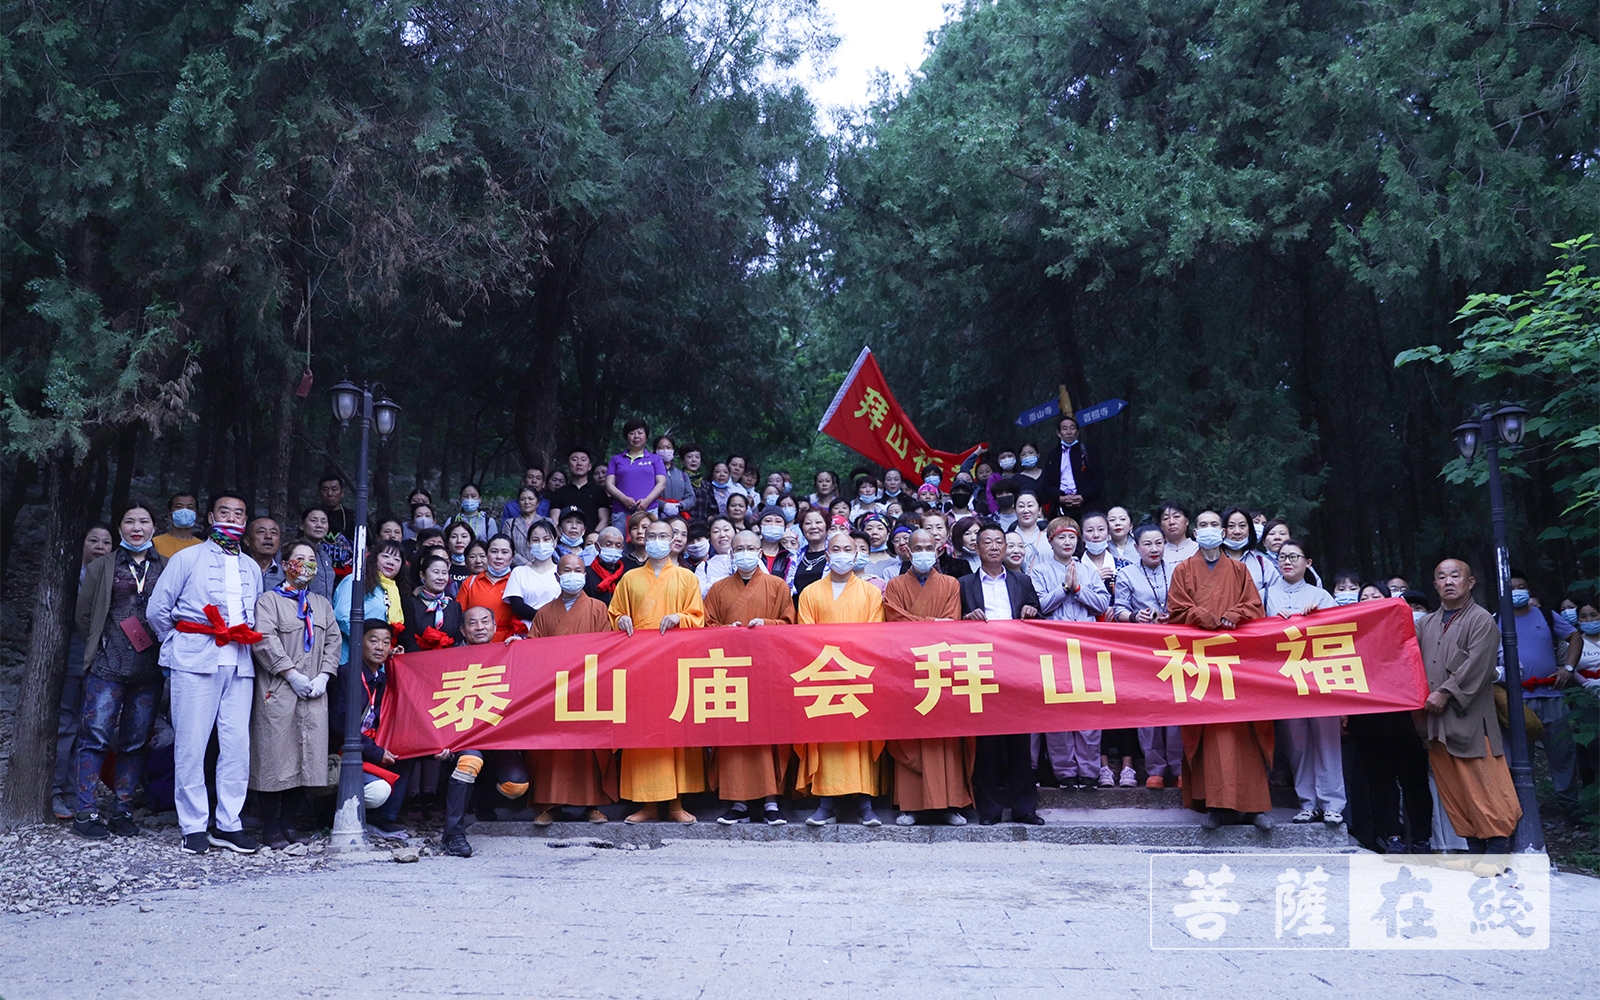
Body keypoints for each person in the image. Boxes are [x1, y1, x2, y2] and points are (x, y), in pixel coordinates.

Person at [146, 491, 265, 855]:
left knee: (236, 747)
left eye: (239, 513)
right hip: (195, 657)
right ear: (211, 517)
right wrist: (182, 643)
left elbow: (254, 614)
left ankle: (229, 824)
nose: (232, 517)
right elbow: (157, 610)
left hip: (240, 661)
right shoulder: (187, 558)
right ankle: (193, 825)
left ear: (245, 522)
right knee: (192, 744)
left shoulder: (252, 567)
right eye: (225, 511)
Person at [1167, 510, 1273, 831]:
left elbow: (1256, 607)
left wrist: (1235, 612)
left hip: (1236, 664)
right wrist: (1201, 614)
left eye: (1216, 525)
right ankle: (1215, 805)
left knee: (1244, 731)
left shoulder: (1240, 570)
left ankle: (1254, 807)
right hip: (1200, 664)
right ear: (1195, 532)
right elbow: (1175, 610)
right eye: (1204, 525)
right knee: (1209, 731)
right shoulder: (1183, 570)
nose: (1210, 530)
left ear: (1224, 531)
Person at [70, 504, 167, 839]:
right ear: (120, 528)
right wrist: (105, 643)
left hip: (149, 669)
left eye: (143, 521)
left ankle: (123, 808)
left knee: (135, 741)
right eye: (129, 521)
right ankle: (85, 810)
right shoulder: (102, 566)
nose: (136, 527)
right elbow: (84, 616)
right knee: (94, 737)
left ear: (154, 527)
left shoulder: (166, 566)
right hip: (106, 666)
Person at [1417, 559, 1521, 853]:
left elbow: (1478, 665)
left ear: (1470, 582)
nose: (1448, 581)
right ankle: (1474, 846)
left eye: (1455, 575)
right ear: (1435, 584)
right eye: (1441, 576)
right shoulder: (1426, 623)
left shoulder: (1481, 620)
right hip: (1434, 721)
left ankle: (1498, 846)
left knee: (1484, 781)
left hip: (1471, 718)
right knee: (1453, 788)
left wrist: (1446, 693)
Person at [609, 518, 707, 824]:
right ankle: (647, 805)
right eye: (650, 535)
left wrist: (680, 617)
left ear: (673, 539)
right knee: (644, 732)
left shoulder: (686, 578)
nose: (656, 540)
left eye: (663, 535)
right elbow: (615, 613)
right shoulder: (629, 578)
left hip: (674, 664)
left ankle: (676, 803)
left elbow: (698, 618)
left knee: (674, 731)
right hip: (639, 666)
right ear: (641, 538)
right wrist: (621, 619)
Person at [249, 540, 340, 849]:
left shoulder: (322, 604)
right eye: (299, 558)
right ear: (285, 563)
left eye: (311, 559)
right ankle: (270, 827)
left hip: (314, 690)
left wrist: (325, 675)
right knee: (273, 757)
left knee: (307, 758)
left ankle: (289, 824)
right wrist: (290, 673)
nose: (306, 564)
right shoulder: (269, 601)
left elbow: (333, 642)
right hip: (278, 689)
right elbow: (263, 639)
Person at [795, 531, 888, 827]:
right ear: (826, 555)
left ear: (857, 554)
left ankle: (865, 804)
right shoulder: (810, 593)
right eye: (836, 549)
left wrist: (850, 660)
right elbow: (805, 636)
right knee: (826, 738)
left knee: (859, 739)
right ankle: (825, 803)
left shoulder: (871, 593)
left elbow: (874, 634)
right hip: (823, 674)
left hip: (858, 675)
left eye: (848, 548)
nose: (842, 553)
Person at [705, 530, 797, 826]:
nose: (745, 553)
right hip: (730, 671)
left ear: (760, 552)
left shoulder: (777, 585)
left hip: (767, 670)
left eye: (750, 548)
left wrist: (767, 624)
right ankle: (738, 801)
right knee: (735, 735)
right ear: (731, 554)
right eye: (739, 548)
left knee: (767, 733)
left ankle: (771, 800)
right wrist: (724, 629)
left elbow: (789, 623)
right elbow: (706, 626)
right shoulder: (718, 589)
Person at [882, 529, 974, 826]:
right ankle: (911, 805)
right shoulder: (894, 585)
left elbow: (952, 625)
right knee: (910, 734)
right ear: (906, 551)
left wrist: (926, 625)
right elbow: (894, 622)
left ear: (939, 549)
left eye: (928, 546)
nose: (922, 551)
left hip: (940, 666)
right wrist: (931, 622)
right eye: (916, 546)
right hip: (906, 668)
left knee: (943, 736)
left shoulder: (950, 584)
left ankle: (949, 804)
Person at [524, 553, 619, 829]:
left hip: (588, 687)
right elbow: (534, 651)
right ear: (557, 576)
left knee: (588, 746)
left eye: (578, 570)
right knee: (552, 747)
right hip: (554, 690)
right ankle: (549, 804)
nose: (573, 575)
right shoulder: (544, 613)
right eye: (567, 570)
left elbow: (606, 648)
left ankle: (592, 804)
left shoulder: (599, 609)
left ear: (585, 574)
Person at [959, 523, 1044, 825]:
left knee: (1020, 740)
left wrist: (1033, 611)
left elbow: (1037, 616)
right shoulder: (964, 584)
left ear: (1006, 549)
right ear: (977, 548)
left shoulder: (1022, 581)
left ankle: (1024, 808)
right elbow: (953, 625)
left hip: (1016, 667)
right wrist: (966, 619)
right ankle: (990, 809)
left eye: (999, 542)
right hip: (980, 667)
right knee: (987, 742)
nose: (994, 547)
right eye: (987, 542)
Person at [1262, 539, 1345, 826]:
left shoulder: (1320, 595)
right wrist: (1272, 622)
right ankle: (1308, 802)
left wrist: (1319, 619)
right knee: (1298, 745)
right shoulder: (1266, 595)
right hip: (1287, 679)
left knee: (1327, 742)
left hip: (1320, 679)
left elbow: (1341, 634)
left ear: (1307, 562)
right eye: (1282, 557)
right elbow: (1256, 634)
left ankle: (1333, 803)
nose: (1287, 561)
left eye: (1294, 557)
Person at [1349, 579, 1434, 854]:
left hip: (1406, 720)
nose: (1369, 600)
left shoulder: (1404, 629)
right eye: (1364, 597)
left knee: (1415, 782)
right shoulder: (1349, 634)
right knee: (1381, 783)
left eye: (1376, 596)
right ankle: (1392, 837)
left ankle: (1421, 839)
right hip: (1367, 722)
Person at [1028, 516, 1114, 788]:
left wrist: (1078, 589)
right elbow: (1040, 605)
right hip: (1053, 648)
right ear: (1051, 541)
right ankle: (1064, 771)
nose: (1067, 542)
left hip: (1086, 647)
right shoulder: (1039, 571)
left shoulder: (1086, 569)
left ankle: (1089, 772)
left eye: (1072, 537)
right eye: (1061, 537)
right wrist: (1064, 588)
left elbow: (1102, 603)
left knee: (1088, 709)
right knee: (1059, 710)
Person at [1501, 570, 1580, 822]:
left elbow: (1575, 637)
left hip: (1553, 695)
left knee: (1563, 753)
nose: (1517, 592)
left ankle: (1570, 805)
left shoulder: (1545, 615)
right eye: (1511, 588)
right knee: (1521, 758)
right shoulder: (1496, 620)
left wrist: (1568, 668)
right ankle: (1525, 809)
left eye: (1521, 586)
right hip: (1516, 700)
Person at [1112, 524, 1183, 789]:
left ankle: (1179, 767)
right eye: (1147, 544)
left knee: (1176, 708)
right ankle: (1155, 769)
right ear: (1136, 547)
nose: (1154, 549)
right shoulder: (1127, 574)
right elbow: (1117, 610)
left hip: (1175, 647)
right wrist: (1134, 616)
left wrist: (1175, 615)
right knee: (1149, 708)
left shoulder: (1178, 570)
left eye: (1158, 543)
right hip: (1141, 650)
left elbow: (1188, 603)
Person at [53, 524, 114, 819]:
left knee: (89, 730)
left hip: (102, 666)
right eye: (93, 540)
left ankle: (76, 793)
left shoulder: (112, 578)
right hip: (73, 660)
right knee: (66, 725)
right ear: (82, 545)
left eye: (106, 542)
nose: (100, 546)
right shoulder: (72, 577)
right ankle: (55, 791)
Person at [332, 539, 409, 664]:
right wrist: (367, 641)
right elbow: (342, 615)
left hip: (376, 662)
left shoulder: (393, 590)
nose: (391, 562)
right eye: (385, 556)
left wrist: (388, 648)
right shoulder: (356, 580)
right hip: (350, 658)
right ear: (374, 558)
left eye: (397, 559)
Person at [605, 418, 668, 529]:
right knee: (620, 544)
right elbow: (609, 484)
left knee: (648, 544)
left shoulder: (655, 459)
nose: (636, 436)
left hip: (649, 510)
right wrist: (624, 499)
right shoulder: (616, 460)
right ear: (626, 437)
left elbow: (661, 483)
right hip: (621, 511)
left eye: (640, 433)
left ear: (646, 436)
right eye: (631, 433)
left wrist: (647, 501)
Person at [455, 534, 518, 642]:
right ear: (487, 554)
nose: (499, 556)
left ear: (512, 556)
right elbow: (459, 615)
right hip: (477, 642)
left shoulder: (518, 581)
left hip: (509, 641)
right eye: (494, 551)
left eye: (504, 552)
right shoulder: (471, 582)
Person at [1039, 414, 1104, 515]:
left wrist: (1083, 496)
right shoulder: (1053, 455)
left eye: (1072, 428)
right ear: (1058, 433)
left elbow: (1099, 478)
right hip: (1061, 507)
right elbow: (1047, 483)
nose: (1068, 432)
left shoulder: (1088, 451)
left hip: (1087, 505)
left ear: (1077, 432)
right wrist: (1060, 497)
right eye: (1064, 429)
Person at [402, 553, 464, 650]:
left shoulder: (455, 606)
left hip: (449, 660)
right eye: (436, 572)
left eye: (444, 573)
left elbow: (458, 640)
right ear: (422, 575)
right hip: (419, 660)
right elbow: (407, 639)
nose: (440, 577)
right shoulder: (410, 604)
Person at [505, 519, 561, 623]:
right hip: (527, 631)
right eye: (535, 540)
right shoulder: (519, 572)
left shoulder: (562, 571)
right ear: (528, 543)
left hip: (559, 628)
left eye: (546, 539)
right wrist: (543, 620)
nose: (541, 544)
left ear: (555, 542)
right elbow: (517, 606)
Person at [548, 447, 611, 533]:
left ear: (589, 466)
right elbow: (554, 519)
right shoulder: (559, 493)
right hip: (564, 541)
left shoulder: (599, 492)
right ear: (568, 465)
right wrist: (562, 537)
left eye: (583, 460)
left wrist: (593, 537)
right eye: (574, 460)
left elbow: (604, 519)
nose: (579, 463)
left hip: (592, 542)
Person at [1220, 507, 1279, 598]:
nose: (1237, 531)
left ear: (1250, 529)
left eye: (1242, 526)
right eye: (1231, 526)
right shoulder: (1211, 561)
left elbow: (1277, 594)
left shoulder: (1262, 563)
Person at [790, 508, 832, 594]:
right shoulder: (794, 559)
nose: (813, 527)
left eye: (818, 522)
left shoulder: (833, 556)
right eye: (808, 523)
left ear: (827, 527)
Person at [585, 525, 630, 601]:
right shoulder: (587, 574)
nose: (613, 548)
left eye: (618, 545)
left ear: (622, 548)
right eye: (608, 544)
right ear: (597, 546)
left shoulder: (627, 574)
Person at [152, 492, 202, 559]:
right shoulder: (155, 543)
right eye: (179, 507)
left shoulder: (202, 547)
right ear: (170, 515)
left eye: (190, 507)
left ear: (195, 515)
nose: (184, 511)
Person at [655, 436, 695, 519]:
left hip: (679, 517)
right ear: (655, 451)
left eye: (668, 447)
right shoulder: (651, 473)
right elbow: (646, 495)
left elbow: (691, 497)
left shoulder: (682, 475)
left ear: (673, 450)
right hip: (657, 516)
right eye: (661, 448)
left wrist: (680, 506)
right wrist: (664, 505)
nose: (665, 450)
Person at [505, 487, 546, 567]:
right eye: (522, 499)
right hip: (518, 568)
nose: (527, 502)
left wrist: (537, 564)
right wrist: (526, 564)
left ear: (538, 502)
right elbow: (507, 548)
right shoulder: (510, 524)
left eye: (531, 499)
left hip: (543, 567)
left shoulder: (547, 522)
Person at [1010, 492, 1051, 573]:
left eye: (1030, 505)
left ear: (1039, 510)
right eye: (1021, 506)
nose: (1026, 510)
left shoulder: (1049, 539)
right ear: (1015, 510)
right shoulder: (1007, 539)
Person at [695, 515, 736, 595]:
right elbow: (699, 594)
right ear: (710, 539)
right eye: (716, 531)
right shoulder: (703, 567)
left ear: (736, 533)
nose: (722, 535)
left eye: (726, 530)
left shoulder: (751, 559)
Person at [245, 517, 284, 591]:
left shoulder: (286, 575)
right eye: (261, 532)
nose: (268, 536)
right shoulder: (238, 569)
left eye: (274, 533)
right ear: (247, 541)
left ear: (279, 543)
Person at [1157, 500, 1197, 565]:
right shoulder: (1158, 553)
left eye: (1176, 516)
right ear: (1161, 526)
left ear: (1186, 521)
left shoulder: (1198, 549)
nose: (1171, 522)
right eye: (1166, 518)